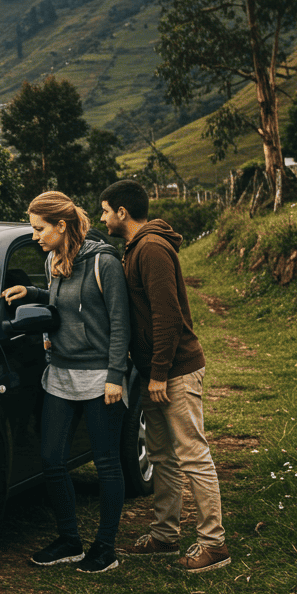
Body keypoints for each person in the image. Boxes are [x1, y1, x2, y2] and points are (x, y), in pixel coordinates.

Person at [99, 179, 230, 573]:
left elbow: (168, 316)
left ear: (122, 212)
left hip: (174, 371)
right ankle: (164, 534)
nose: (103, 217)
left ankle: (214, 544)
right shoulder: (136, 248)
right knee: (161, 455)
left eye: (105, 211)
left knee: (193, 455)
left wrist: (158, 373)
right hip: (153, 370)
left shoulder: (152, 249)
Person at [3, 191, 130, 574]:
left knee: (107, 463)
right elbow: (63, 302)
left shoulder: (104, 262)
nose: (36, 235)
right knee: (51, 459)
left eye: (40, 229)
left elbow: (120, 320)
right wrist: (35, 292)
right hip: (59, 373)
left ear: (61, 226)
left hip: (99, 377)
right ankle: (69, 540)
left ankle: (105, 547)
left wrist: (115, 376)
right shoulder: (52, 259)